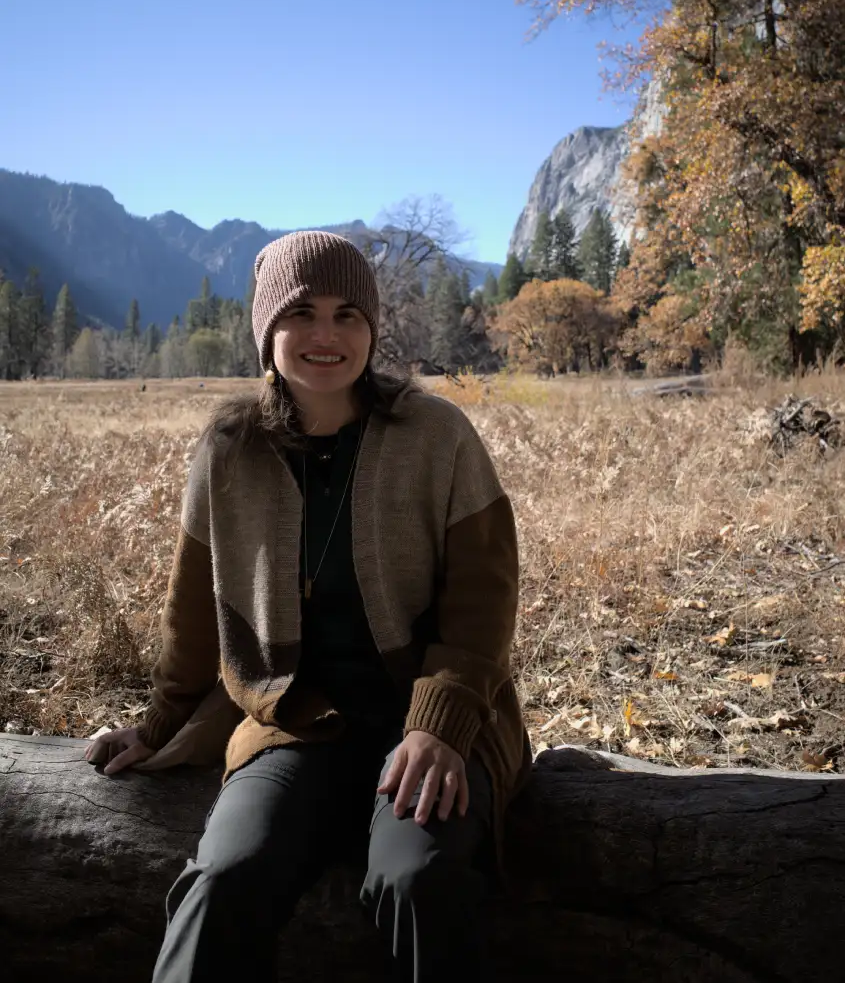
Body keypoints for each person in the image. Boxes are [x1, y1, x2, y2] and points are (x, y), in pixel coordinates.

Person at [85, 231, 532, 982]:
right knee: (223, 879)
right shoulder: (230, 448)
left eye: (347, 314)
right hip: (294, 725)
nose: (326, 336)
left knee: (414, 877)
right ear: (266, 331)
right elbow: (194, 611)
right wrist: (158, 724)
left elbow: (484, 599)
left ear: (372, 329)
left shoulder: (435, 434)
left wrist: (442, 726)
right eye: (302, 314)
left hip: (425, 724)